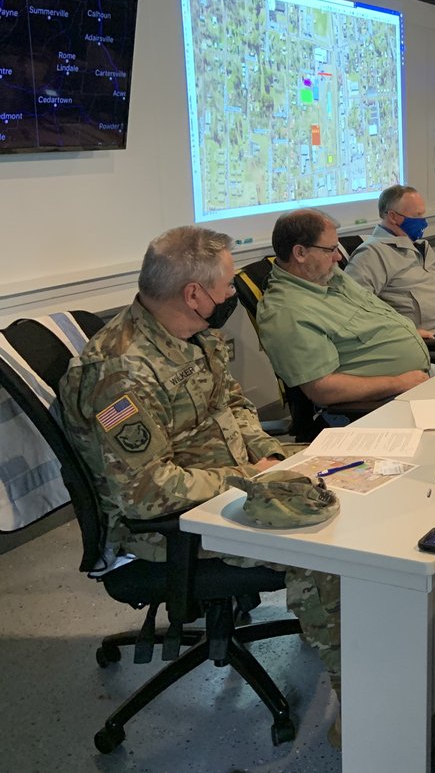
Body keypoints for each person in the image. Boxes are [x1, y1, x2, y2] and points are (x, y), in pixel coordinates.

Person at [58, 226, 341, 739]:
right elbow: (146, 493)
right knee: (324, 546)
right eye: (228, 284)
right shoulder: (121, 374)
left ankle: (327, 627)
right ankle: (361, 702)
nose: (234, 292)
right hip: (169, 524)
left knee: (343, 486)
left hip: (225, 484)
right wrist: (248, 480)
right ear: (194, 294)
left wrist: (267, 454)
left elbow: (231, 403)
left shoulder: (191, 333)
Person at [258, 209, 430, 404]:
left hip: (418, 378)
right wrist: (399, 383)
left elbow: (366, 319)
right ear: (300, 253)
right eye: (330, 250)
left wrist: (404, 331)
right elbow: (323, 390)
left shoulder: (327, 275)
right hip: (387, 399)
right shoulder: (286, 312)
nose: (338, 257)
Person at [345, 185, 435, 365]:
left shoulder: (421, 246)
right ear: (393, 217)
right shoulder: (371, 254)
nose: (423, 222)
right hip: (432, 340)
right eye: (417, 216)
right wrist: (405, 332)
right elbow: (354, 308)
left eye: (422, 215)